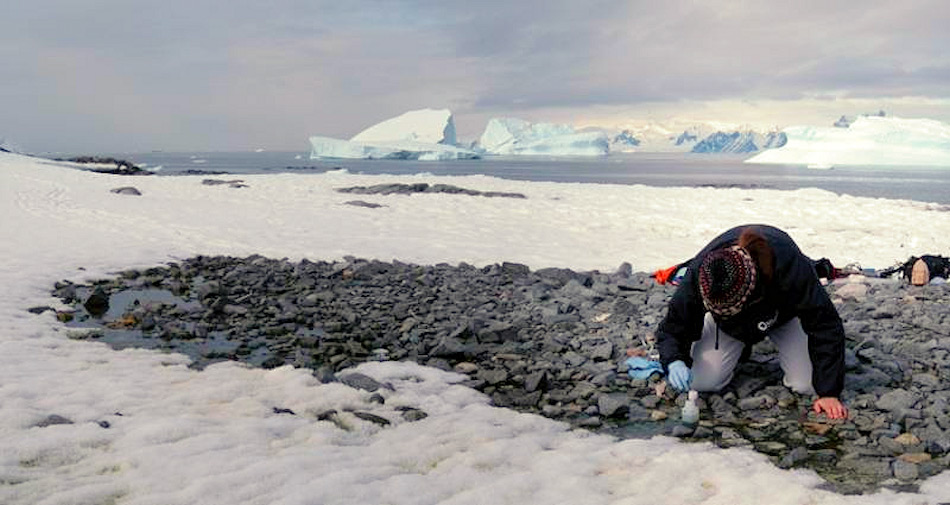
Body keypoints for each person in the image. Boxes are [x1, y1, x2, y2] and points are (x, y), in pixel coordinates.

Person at [655, 224, 848, 419]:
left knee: (807, 385)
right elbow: (673, 326)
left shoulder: (789, 264)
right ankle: (732, 344)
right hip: (729, 327)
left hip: (784, 316)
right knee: (702, 382)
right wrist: (674, 360)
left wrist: (829, 392)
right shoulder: (703, 272)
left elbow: (825, 324)